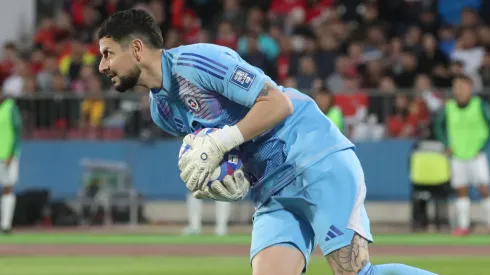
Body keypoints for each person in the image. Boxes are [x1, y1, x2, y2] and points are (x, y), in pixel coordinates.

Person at [96, 9, 437, 275]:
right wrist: (227, 181)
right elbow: (229, 153)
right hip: (271, 192)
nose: (102, 65)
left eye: (108, 53)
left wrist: (220, 143)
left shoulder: (198, 61)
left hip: (314, 161)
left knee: (354, 272)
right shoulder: (162, 111)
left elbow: (277, 103)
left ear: (137, 48)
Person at [434, 74, 490, 236]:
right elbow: (438, 127)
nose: (457, 90)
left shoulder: (479, 105)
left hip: (476, 155)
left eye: (461, 86)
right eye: (455, 86)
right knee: (461, 190)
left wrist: (483, 146)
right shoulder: (449, 107)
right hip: (457, 156)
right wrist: (446, 144)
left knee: (484, 189)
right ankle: (463, 226)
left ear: (469, 88)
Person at [0, 90, 22, 234]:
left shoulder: (10, 107)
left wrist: (12, 153)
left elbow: (17, 130)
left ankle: (6, 225)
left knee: (7, 187)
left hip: (6, 156)